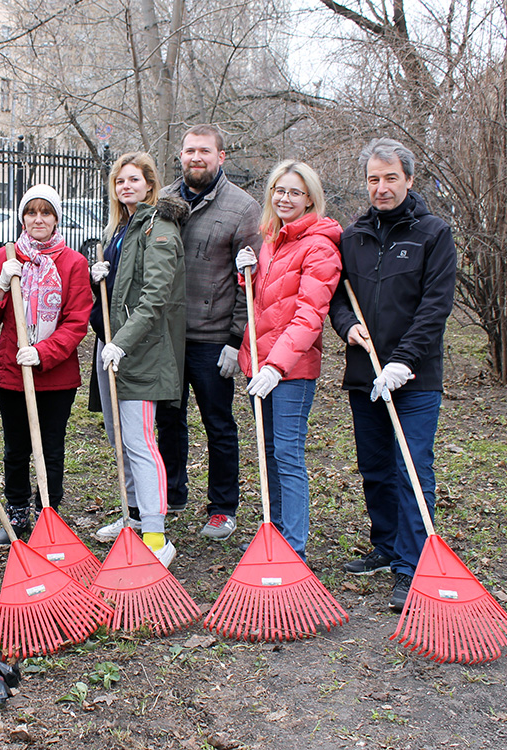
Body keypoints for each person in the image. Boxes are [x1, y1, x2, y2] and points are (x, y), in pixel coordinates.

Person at [327, 137, 456, 612]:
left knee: (412, 467)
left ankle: (411, 563)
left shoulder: (433, 234)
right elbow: (336, 296)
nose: (381, 187)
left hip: (415, 377)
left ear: (409, 179)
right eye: (373, 179)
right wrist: (346, 325)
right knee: (375, 467)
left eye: (390, 178)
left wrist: (404, 360)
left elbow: (436, 306)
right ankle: (385, 545)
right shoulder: (353, 236)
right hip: (366, 375)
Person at [157, 125, 262, 541]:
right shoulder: (163, 199)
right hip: (166, 336)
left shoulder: (243, 208)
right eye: (189, 151)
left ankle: (223, 507)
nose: (195, 157)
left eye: (204, 151)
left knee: (218, 424)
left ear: (221, 156)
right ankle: (172, 493)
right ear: (180, 156)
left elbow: (250, 282)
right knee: (169, 419)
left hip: (213, 337)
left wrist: (236, 340)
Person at [236, 161, 342, 561]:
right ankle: (276, 530)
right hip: (260, 363)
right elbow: (268, 302)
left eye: (295, 192)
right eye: (279, 190)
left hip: (291, 370)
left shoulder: (320, 246)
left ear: (310, 198)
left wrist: (276, 366)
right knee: (268, 452)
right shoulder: (271, 239)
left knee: (287, 454)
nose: (285, 198)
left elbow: (309, 316)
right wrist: (247, 275)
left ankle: (294, 546)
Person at [0, 184, 93, 545]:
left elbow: (77, 321)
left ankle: (49, 511)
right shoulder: (6, 256)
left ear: (56, 218)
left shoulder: (73, 262)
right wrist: (0, 285)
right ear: (22, 218)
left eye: (46, 212)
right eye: (31, 212)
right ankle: (17, 510)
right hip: (12, 371)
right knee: (16, 448)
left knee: (51, 447)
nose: (38, 219)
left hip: (56, 374)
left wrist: (44, 351)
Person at [90, 153, 188, 567]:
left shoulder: (159, 226)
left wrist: (122, 343)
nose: (125, 186)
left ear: (150, 184)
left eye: (133, 179)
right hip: (112, 347)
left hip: (141, 351)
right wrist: (101, 278)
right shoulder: (121, 229)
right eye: (119, 181)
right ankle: (132, 515)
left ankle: (155, 535)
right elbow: (121, 293)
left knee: (140, 442)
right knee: (120, 439)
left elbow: (155, 297)